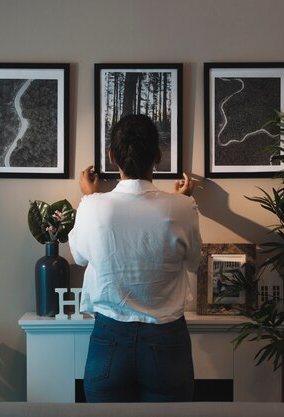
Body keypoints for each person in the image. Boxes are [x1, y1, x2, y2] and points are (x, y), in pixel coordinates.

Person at [68, 114, 202, 402]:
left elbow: (78, 257)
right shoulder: (182, 207)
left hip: (109, 338)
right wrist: (183, 202)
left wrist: (89, 197)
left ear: (111, 156)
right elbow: (194, 262)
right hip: (166, 341)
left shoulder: (91, 206)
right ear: (158, 156)